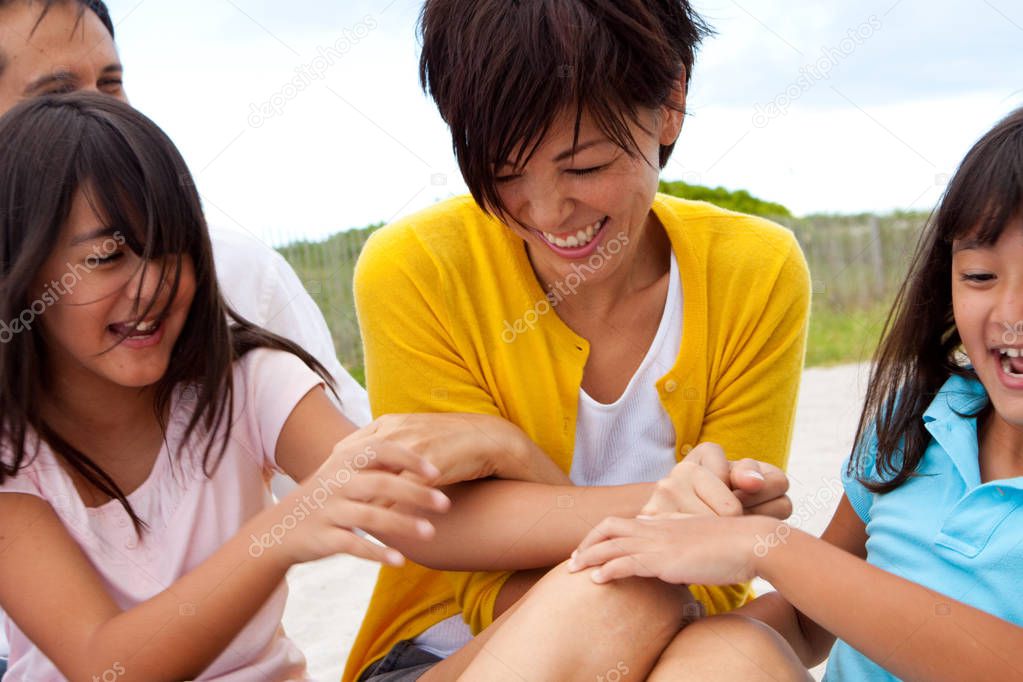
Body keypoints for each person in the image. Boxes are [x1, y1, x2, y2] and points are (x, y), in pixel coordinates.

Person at [0, 92, 585, 681]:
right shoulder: (12, 454)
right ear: (21, 270)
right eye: (108, 256)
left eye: (171, 246)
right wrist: (276, 535)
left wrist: (512, 449)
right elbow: (108, 664)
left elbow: (424, 519)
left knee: (601, 600)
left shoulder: (246, 382)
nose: (153, 284)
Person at [344, 1, 810, 679]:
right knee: (640, 608)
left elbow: (716, 577)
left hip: (664, 640)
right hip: (437, 656)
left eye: (584, 167)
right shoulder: (416, 267)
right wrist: (682, 515)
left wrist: (508, 459)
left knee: (728, 655)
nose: (546, 212)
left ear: (671, 101)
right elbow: (451, 548)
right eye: (502, 173)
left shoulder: (754, 269)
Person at [569, 107, 1023, 680]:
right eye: (980, 276)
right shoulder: (918, 418)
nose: (1010, 316)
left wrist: (768, 545)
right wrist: (667, 627)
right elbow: (810, 623)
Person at [0, 0, 371, 428]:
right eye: (57, 95)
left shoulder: (237, 273)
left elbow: (356, 469)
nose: (98, 113)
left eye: (111, 83)